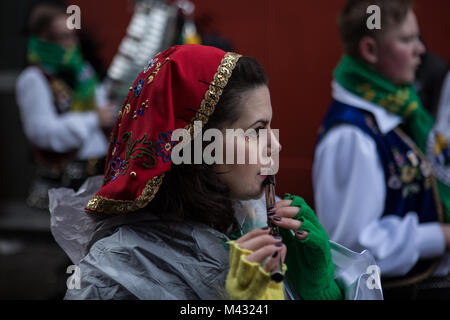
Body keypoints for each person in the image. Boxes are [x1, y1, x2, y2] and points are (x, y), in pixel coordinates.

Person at [48, 44, 382, 300]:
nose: (276, 147)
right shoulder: (114, 270)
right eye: (255, 131)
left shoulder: (251, 222)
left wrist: (319, 285)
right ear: (196, 146)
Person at [313, 0, 450, 298]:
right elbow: (351, 250)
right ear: (370, 50)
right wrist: (440, 237)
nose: (420, 50)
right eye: (406, 39)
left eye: (418, 37)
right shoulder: (351, 134)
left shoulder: (399, 113)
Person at [16, 2, 116, 209]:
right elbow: (43, 133)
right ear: (44, 38)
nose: (72, 44)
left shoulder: (82, 71)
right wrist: (93, 120)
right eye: (64, 37)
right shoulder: (34, 78)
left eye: (73, 36)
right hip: (64, 184)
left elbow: (103, 107)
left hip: (95, 176)